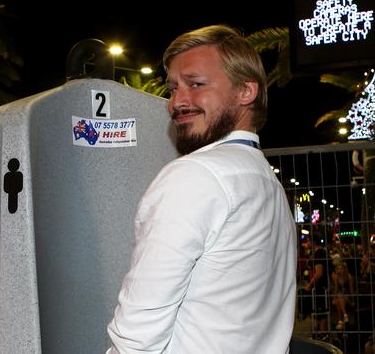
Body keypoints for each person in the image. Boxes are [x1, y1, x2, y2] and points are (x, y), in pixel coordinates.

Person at [106, 25, 297, 353]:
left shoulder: (196, 176)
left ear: (245, 92)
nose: (177, 101)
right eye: (174, 88)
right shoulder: (266, 181)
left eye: (196, 84)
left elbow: (137, 335)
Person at [304, 234, 330, 335]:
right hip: (318, 288)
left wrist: (309, 285)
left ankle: (323, 338)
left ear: (313, 242)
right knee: (317, 315)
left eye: (308, 241)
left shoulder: (319, 253)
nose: (307, 243)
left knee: (321, 315)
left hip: (319, 289)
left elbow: (319, 273)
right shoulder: (317, 252)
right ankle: (319, 335)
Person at [331, 259, 355, 330]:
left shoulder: (349, 276)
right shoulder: (337, 277)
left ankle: (340, 320)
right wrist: (334, 298)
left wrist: (353, 301)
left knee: (340, 295)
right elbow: (336, 289)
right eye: (338, 268)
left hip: (348, 298)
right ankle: (343, 317)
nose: (339, 270)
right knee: (338, 299)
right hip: (340, 297)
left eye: (341, 268)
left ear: (345, 269)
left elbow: (351, 290)